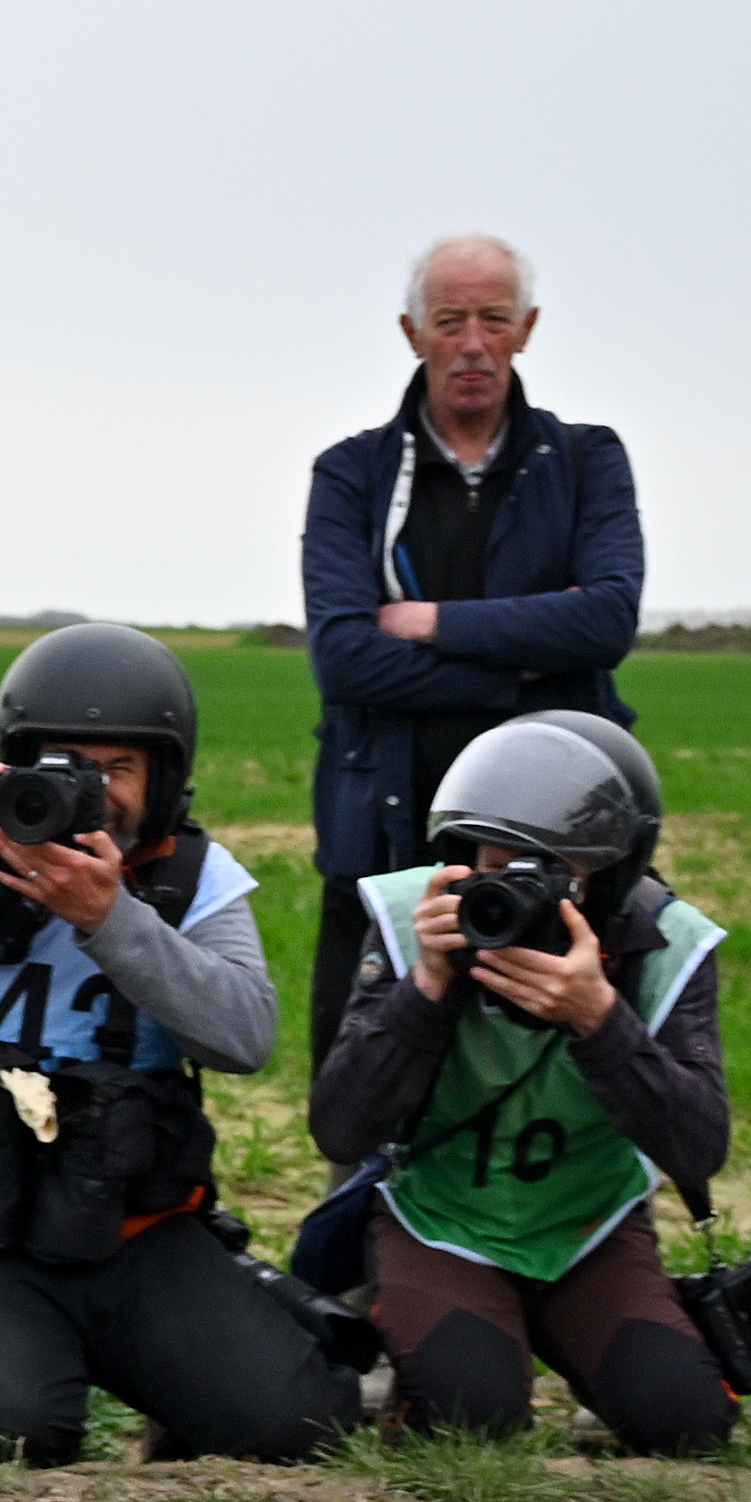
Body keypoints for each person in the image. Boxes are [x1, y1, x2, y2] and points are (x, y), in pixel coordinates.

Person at [0, 624, 353, 1465]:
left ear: (164, 777)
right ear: (11, 763)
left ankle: (169, 1374)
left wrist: (111, 917)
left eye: (118, 768)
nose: (88, 789)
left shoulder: (189, 879)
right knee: (0, 1437)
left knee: (297, 1427)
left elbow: (244, 1036)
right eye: (62, 762)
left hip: (135, 1226)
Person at [309, 713, 734, 1455]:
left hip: (587, 1227)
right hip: (440, 1220)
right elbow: (340, 1127)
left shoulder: (666, 944)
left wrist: (598, 1017)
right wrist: (428, 985)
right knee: (472, 1418)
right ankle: (428, 1375)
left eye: (540, 871)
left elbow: (698, 1147)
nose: (501, 888)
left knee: (685, 1420)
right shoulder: (417, 918)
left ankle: (597, 1385)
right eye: (488, 858)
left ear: (609, 875)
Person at [299, 234, 646, 1066]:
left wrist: (430, 623)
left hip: (555, 848)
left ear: (525, 327)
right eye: (449, 320)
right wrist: (527, 669)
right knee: (364, 1094)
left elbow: (605, 622)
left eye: (493, 319)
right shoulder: (350, 475)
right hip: (382, 843)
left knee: (556, 1081)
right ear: (410, 331)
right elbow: (344, 658)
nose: (472, 344)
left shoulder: (585, 460)